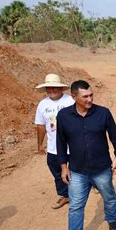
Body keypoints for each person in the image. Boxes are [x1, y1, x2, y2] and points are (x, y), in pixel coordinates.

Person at [56, 80, 116, 230]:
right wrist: (63, 167)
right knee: (75, 207)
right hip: (77, 171)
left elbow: (115, 137)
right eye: (85, 96)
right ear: (74, 97)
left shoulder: (103, 113)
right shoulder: (64, 116)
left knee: (109, 197)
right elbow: (61, 143)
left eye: (91, 95)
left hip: (101, 168)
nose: (90, 99)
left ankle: (112, 219)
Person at [34, 74, 74, 209]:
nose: (52, 90)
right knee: (57, 172)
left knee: (81, 168)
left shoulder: (70, 101)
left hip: (74, 145)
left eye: (55, 87)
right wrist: (40, 144)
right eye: (49, 88)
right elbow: (40, 125)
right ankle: (65, 195)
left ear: (61, 88)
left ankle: (93, 184)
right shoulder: (42, 104)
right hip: (54, 147)